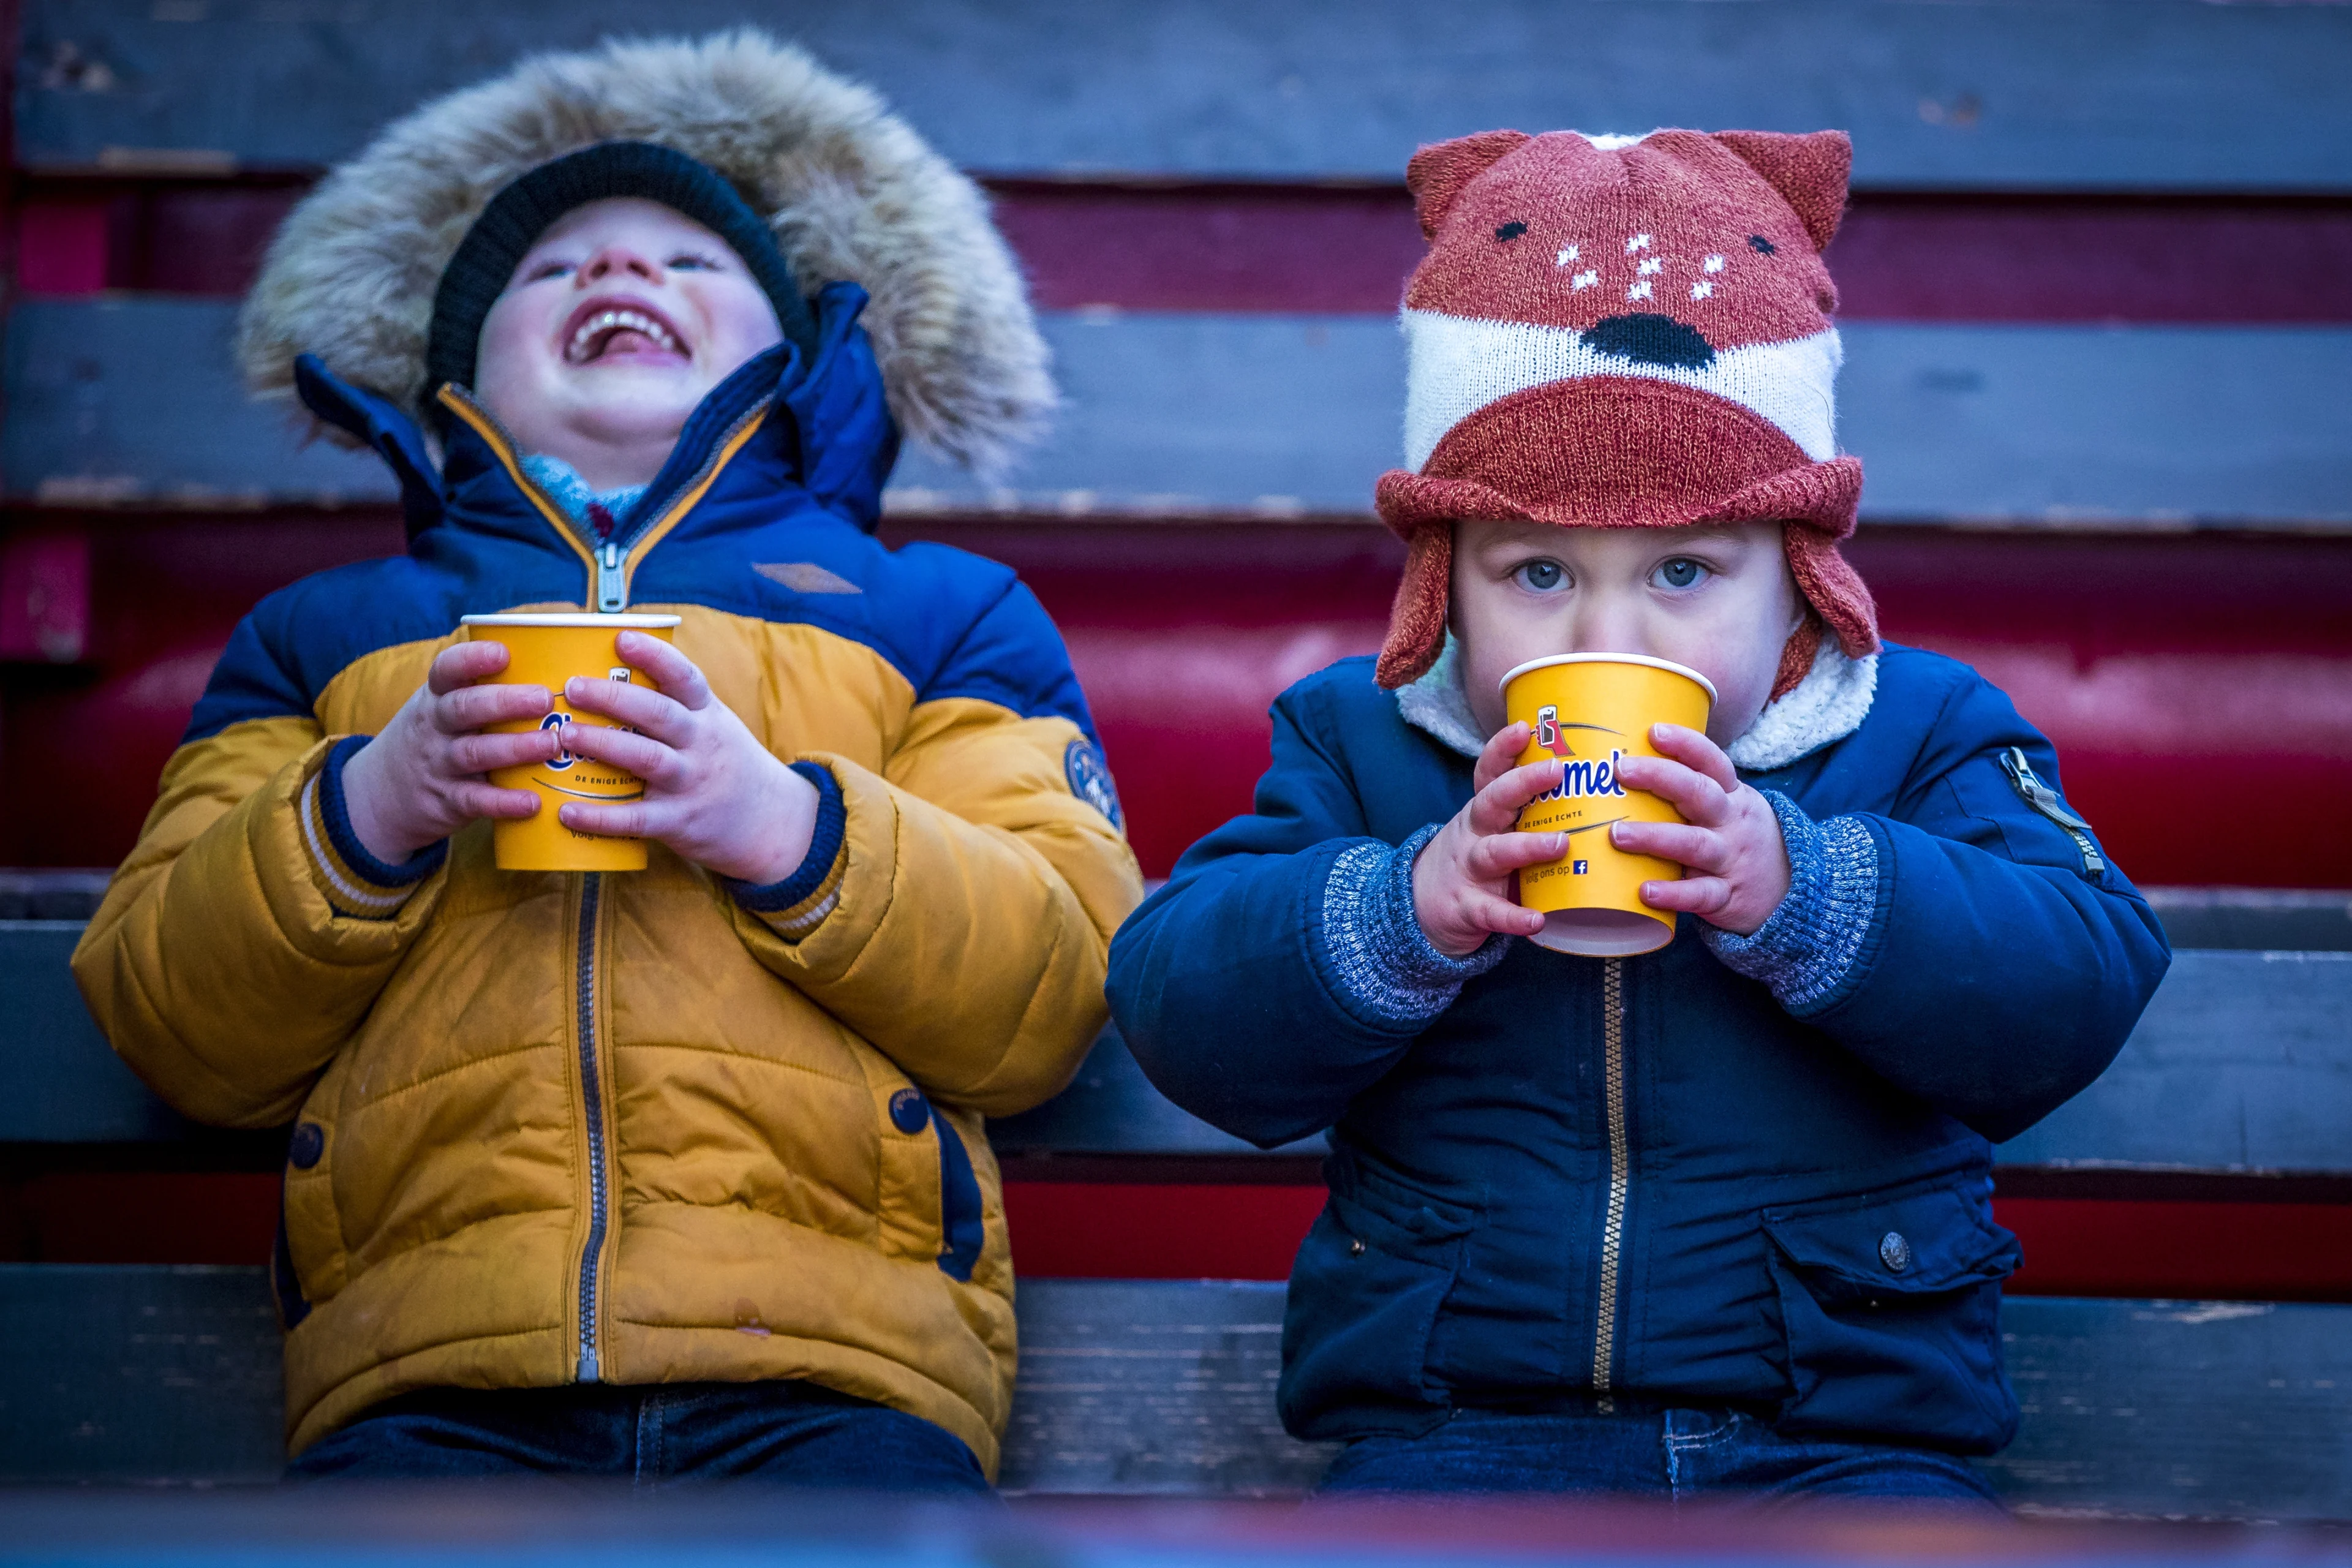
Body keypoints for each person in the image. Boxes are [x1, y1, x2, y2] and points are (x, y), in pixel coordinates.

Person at [72, 32, 1140, 1488]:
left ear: (796, 358)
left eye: (692, 263)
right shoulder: (320, 640)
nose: (620, 278)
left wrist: (784, 824)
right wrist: (372, 805)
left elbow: (1057, 983)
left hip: (836, 1362)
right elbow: (169, 1017)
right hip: (430, 1362)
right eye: (554, 267)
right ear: (452, 375)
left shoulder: (937, 614)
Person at [1106, 127, 2170, 1506]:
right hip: (1459, 1435)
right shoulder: (1363, 744)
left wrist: (1811, 885)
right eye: (1537, 568)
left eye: (1684, 568)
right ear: (1442, 580)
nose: (1610, 627)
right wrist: (1404, 907)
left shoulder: (1916, 732)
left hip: (1841, 1436)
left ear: (1800, 574)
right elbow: (1184, 1006)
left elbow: (2083, 971)